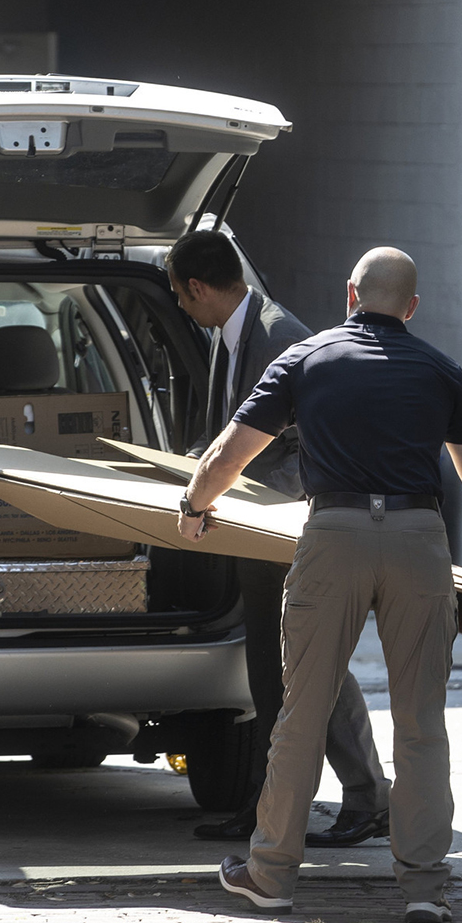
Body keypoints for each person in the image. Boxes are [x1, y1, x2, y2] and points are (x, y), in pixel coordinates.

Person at [176, 246, 462, 923]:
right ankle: (423, 886)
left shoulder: (304, 357)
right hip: (418, 540)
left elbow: (231, 451)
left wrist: (195, 505)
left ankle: (271, 874)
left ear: (349, 293)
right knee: (421, 722)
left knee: (302, 710)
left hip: (335, 534)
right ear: (410, 308)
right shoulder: (442, 371)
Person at [165, 230, 392, 846]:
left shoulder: (278, 336)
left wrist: (216, 485)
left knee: (310, 661)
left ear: (198, 287)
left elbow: (298, 443)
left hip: (285, 522)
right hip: (252, 521)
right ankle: (268, 805)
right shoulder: (232, 333)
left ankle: (369, 796)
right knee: (270, 666)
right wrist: (198, 463)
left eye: (183, 301)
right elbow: (234, 427)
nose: (185, 313)